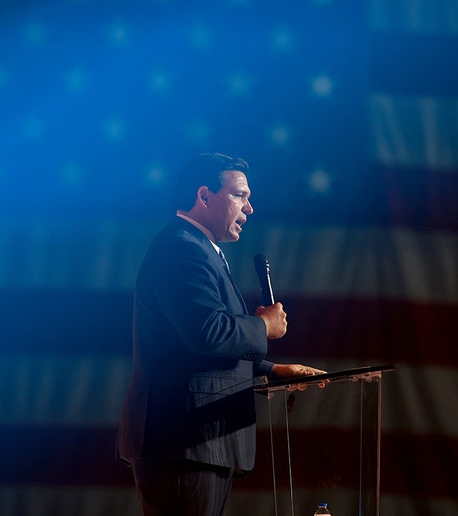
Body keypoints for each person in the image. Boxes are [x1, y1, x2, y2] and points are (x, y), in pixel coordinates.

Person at [116, 152, 328, 516]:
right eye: (240, 195)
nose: (250, 208)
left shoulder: (199, 249)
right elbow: (207, 332)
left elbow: (194, 350)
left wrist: (271, 370)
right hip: (183, 442)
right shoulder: (181, 249)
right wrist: (264, 325)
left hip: (198, 441)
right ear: (205, 196)